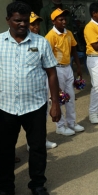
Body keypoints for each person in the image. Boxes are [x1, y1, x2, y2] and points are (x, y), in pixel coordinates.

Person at [0, 1, 61, 195]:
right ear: (8, 20)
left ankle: (37, 184)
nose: (23, 24)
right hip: (4, 107)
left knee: (37, 148)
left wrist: (55, 104)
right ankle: (5, 188)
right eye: (18, 20)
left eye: (25, 21)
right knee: (5, 150)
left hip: (34, 106)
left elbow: (51, 73)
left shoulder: (41, 42)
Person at [45, 8, 85, 136]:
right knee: (59, 98)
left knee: (71, 97)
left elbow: (73, 50)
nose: (64, 21)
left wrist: (78, 67)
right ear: (53, 21)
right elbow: (47, 56)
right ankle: (60, 126)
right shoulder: (50, 36)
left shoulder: (68, 33)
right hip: (56, 69)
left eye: (64, 19)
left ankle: (72, 123)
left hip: (67, 67)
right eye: (60, 19)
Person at [29, 13, 58, 149]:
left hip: (42, 81)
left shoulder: (41, 41)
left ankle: (42, 139)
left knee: (42, 112)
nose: (36, 27)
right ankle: (31, 142)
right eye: (32, 24)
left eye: (37, 24)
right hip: (28, 84)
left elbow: (50, 67)